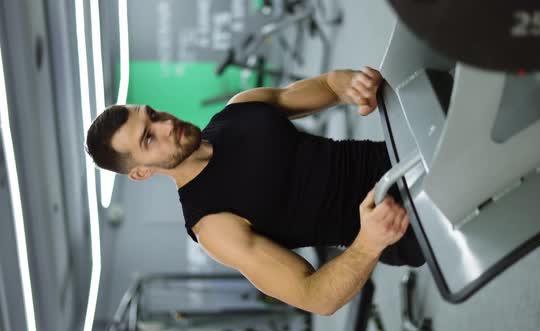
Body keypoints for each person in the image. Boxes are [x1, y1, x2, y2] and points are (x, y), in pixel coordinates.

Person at [86, 66, 423, 315]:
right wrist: (369, 244)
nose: (166, 125)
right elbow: (313, 295)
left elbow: (327, 86)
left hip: (405, 152)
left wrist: (349, 84)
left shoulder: (239, 108)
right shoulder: (212, 226)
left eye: (153, 114)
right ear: (142, 172)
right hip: (399, 226)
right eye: (149, 138)